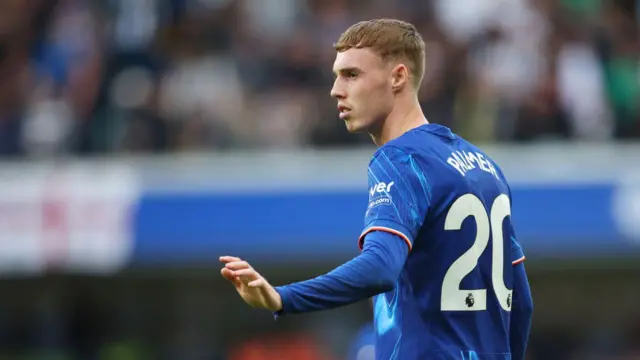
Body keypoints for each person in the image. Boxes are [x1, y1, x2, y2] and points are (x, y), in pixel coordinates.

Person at [220, 19, 533, 360]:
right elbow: (521, 303)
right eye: (337, 75)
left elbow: (380, 267)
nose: (336, 89)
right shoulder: (485, 167)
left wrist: (283, 297)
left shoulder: (400, 159)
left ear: (398, 77)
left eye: (352, 75)